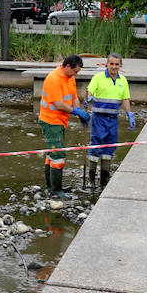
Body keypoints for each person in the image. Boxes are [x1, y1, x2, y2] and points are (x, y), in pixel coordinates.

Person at [38, 54, 90, 200]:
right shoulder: (53, 79)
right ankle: (56, 190)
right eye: (75, 71)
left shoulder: (70, 77)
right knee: (58, 156)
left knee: (52, 153)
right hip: (51, 121)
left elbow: (73, 98)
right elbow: (59, 104)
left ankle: (51, 187)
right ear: (68, 66)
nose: (76, 74)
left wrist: (80, 112)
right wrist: (77, 112)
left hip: (60, 121)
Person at [85, 52, 135, 190]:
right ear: (106, 64)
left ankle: (104, 180)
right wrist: (88, 97)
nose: (113, 66)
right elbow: (89, 91)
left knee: (109, 148)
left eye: (116, 64)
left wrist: (129, 113)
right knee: (96, 147)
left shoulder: (122, 80)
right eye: (111, 63)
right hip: (98, 119)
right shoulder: (98, 78)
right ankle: (91, 180)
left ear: (120, 65)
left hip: (113, 120)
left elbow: (125, 98)